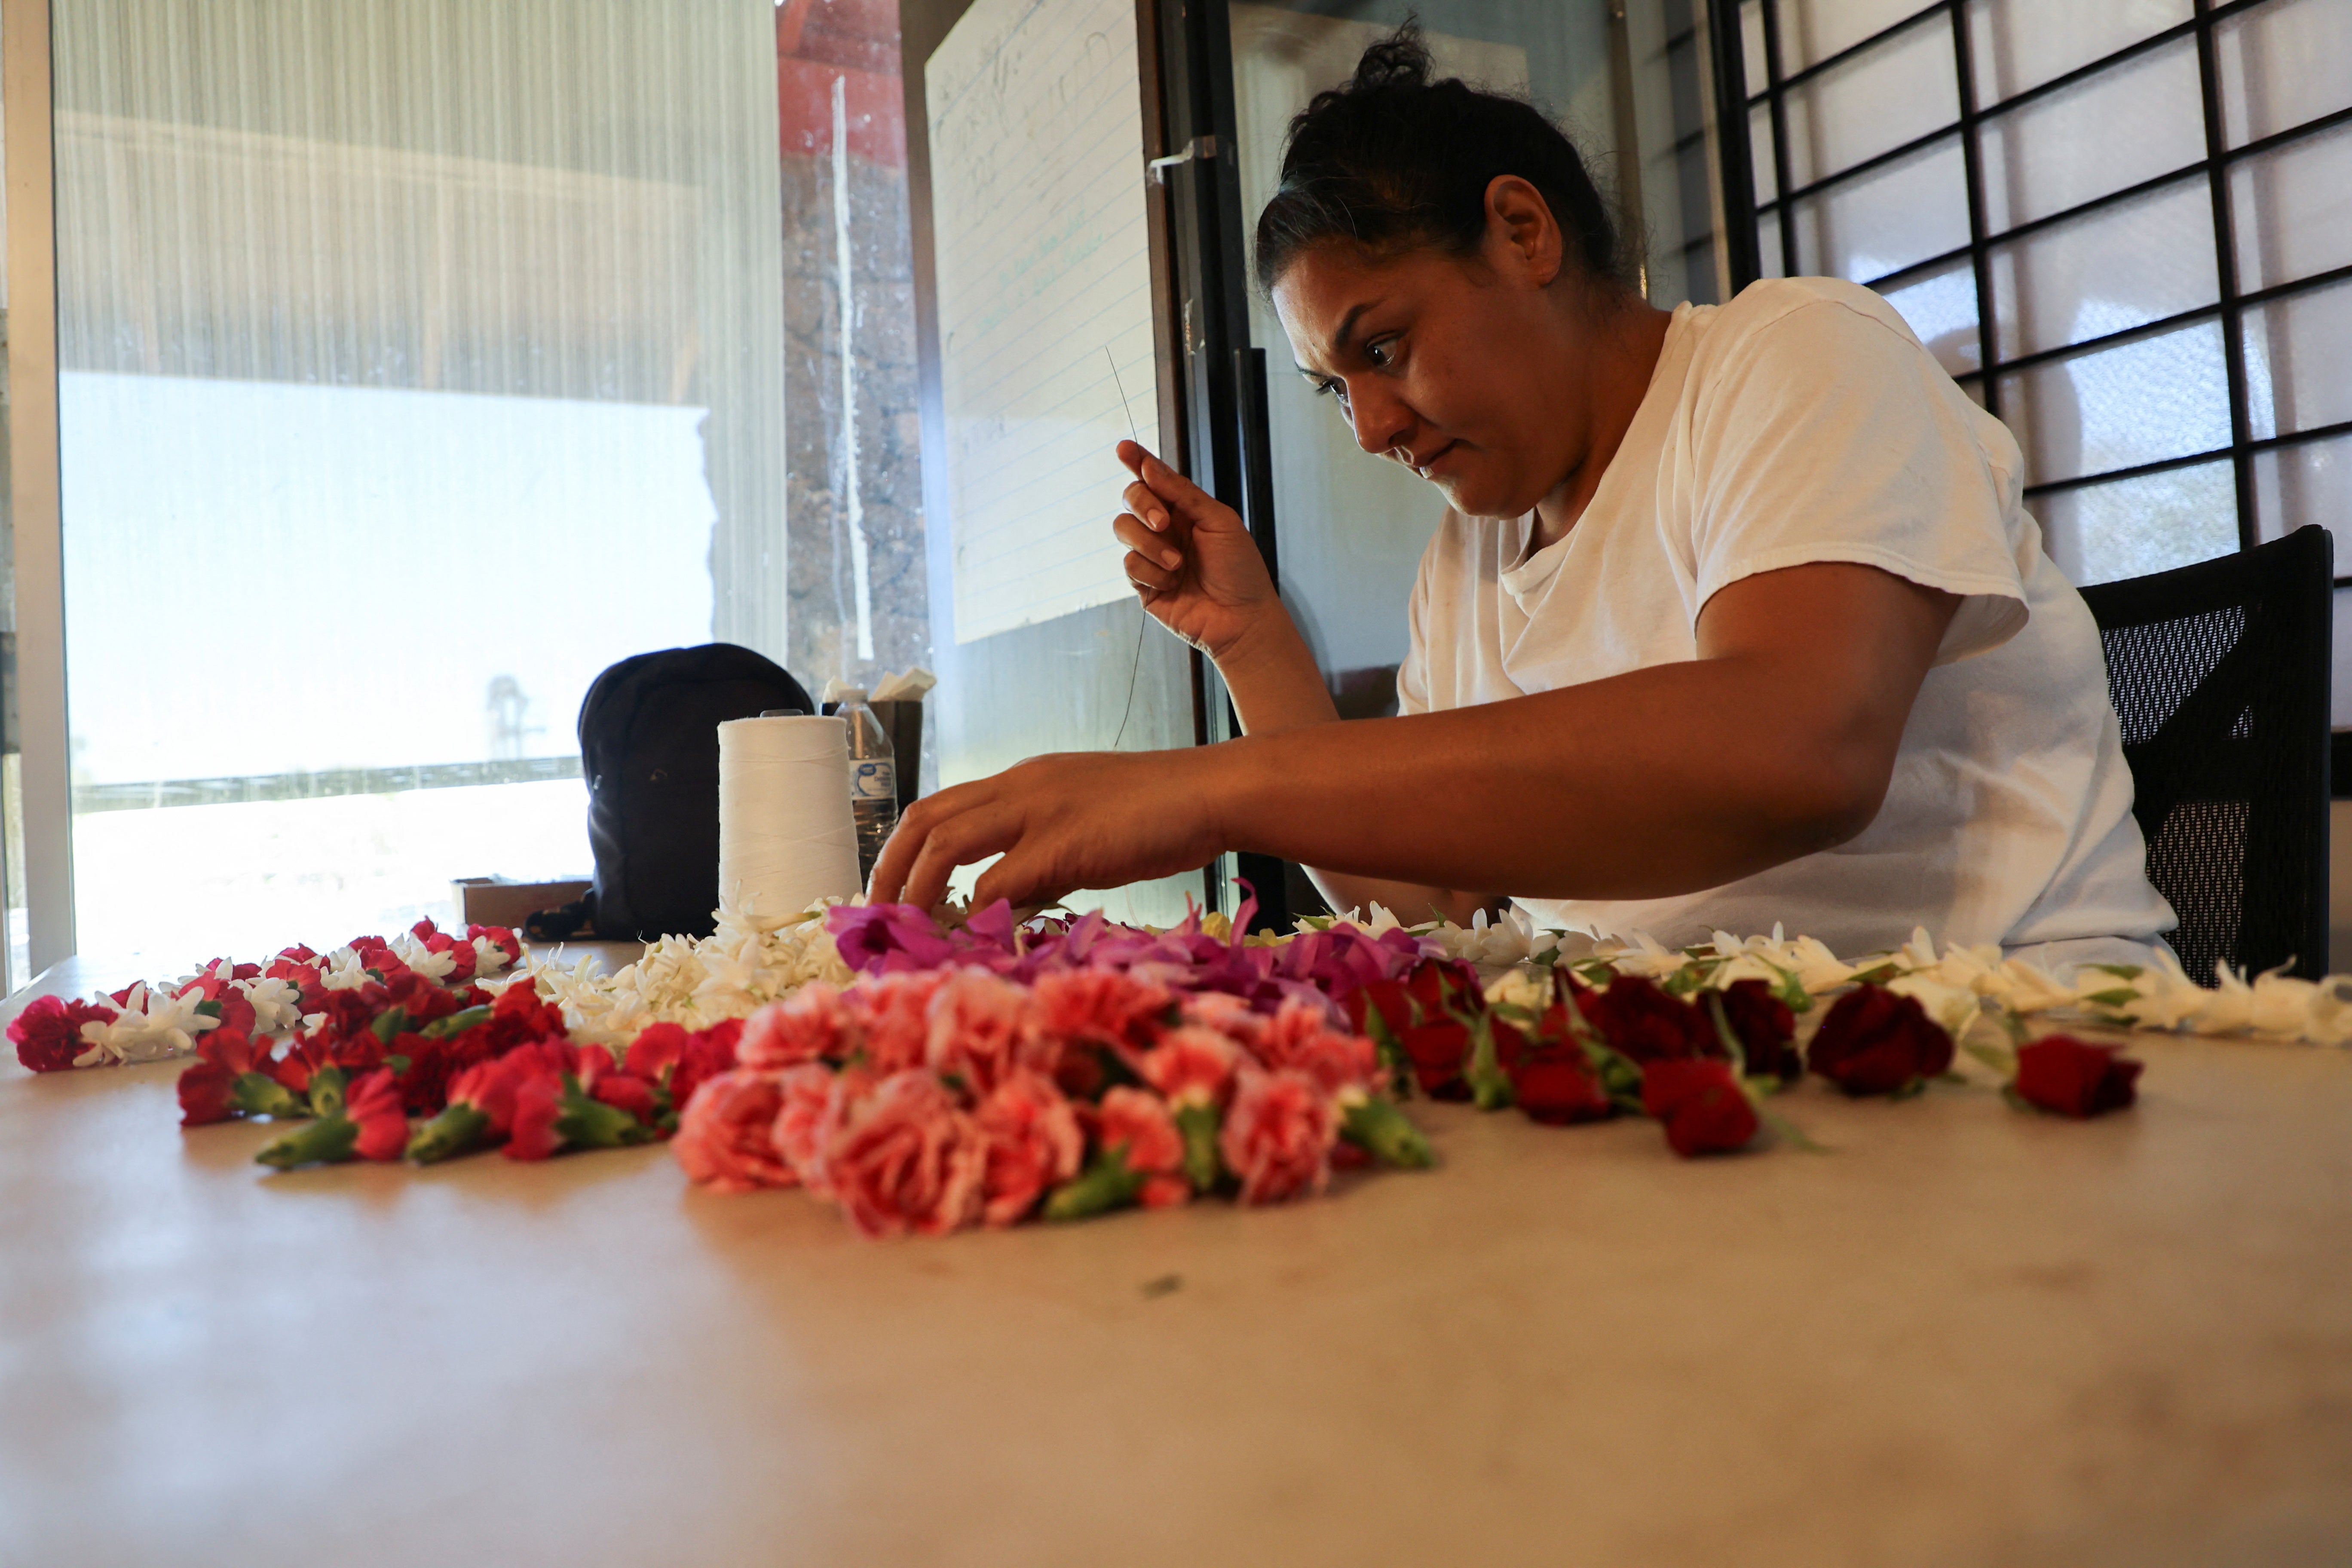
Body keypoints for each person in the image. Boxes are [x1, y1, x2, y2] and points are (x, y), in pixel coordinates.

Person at [871, 28, 2175, 971]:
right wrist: (1256, 644)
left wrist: (1210, 788)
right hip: (1698, 1057)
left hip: (1998, 1024)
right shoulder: (1475, 553)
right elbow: (1428, 894)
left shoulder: (1794, 354)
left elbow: (1800, 746)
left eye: (1382, 349)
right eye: (1338, 391)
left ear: (1524, 231)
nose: (1374, 427)